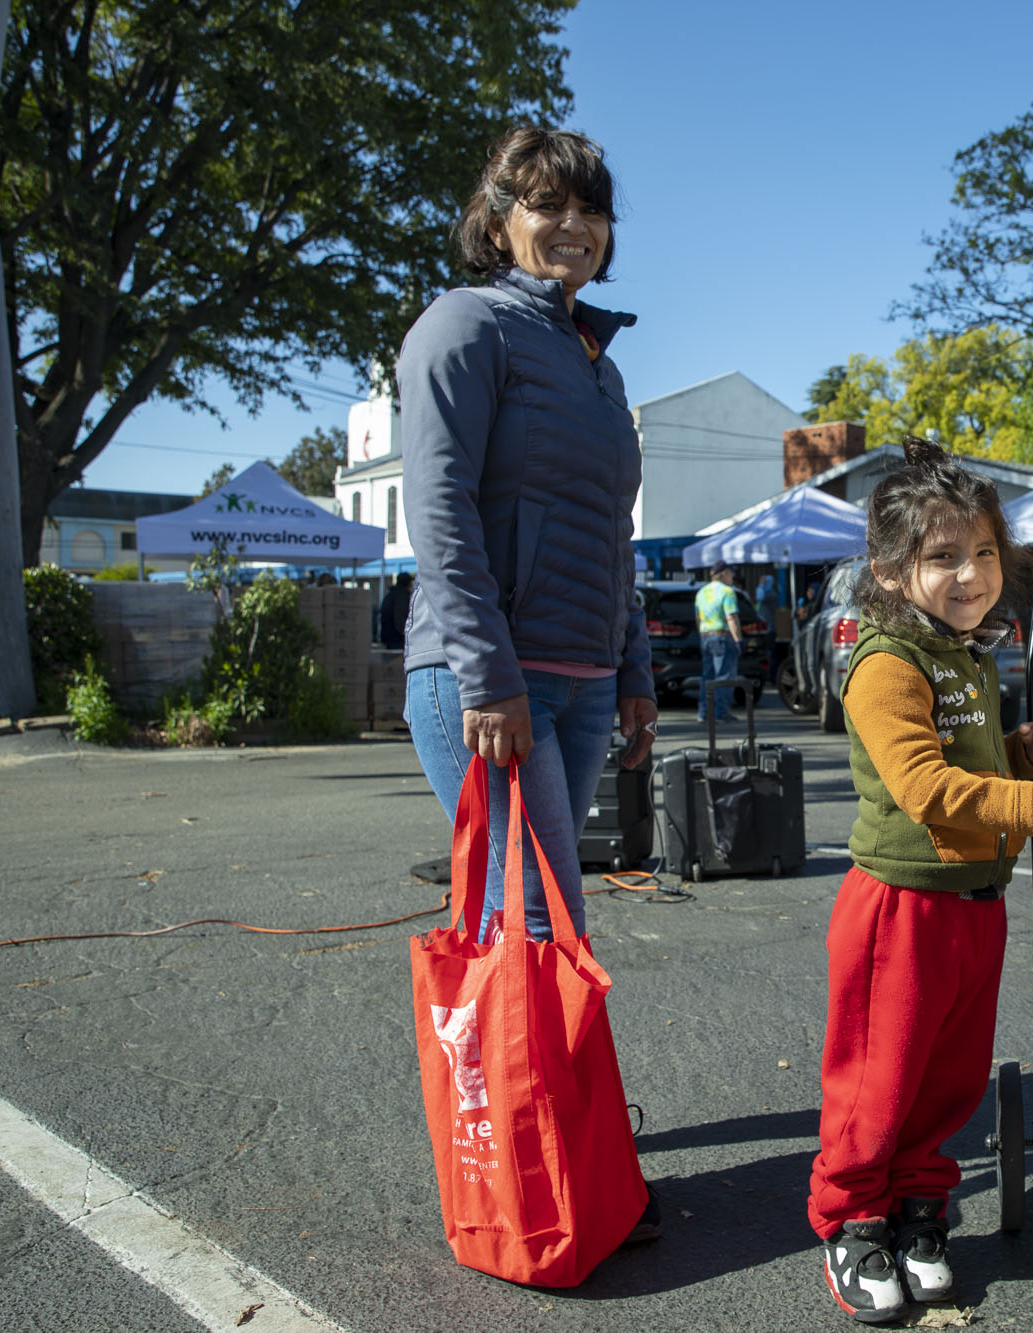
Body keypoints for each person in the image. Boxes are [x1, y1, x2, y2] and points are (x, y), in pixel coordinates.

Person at [397, 127, 659, 1237]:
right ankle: (541, 1152)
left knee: (540, 924)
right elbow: (440, 509)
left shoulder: (598, 365)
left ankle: (544, 1122)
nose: (572, 228)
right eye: (546, 206)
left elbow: (614, 534)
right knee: (538, 921)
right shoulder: (463, 326)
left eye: (590, 211)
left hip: (583, 678)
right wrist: (487, 676)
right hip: (487, 682)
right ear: (497, 215)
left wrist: (635, 667)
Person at [806, 437, 1033, 1323]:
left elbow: (961, 760)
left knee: (949, 1077)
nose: (969, 574)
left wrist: (1012, 755)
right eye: (942, 557)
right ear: (892, 571)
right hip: (900, 909)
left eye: (982, 552)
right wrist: (1030, 798)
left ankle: (920, 1207)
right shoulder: (888, 662)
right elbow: (921, 786)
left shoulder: (966, 651)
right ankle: (853, 1217)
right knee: (877, 1081)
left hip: (974, 902)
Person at [694, 560, 743, 723]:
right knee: (724, 676)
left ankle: (704, 712)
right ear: (723, 574)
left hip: (706, 636)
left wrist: (702, 635)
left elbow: (698, 618)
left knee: (707, 676)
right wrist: (738, 640)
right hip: (723, 636)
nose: (733, 576)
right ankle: (721, 713)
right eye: (731, 572)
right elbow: (731, 617)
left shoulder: (701, 592)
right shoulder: (728, 592)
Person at [377, 572, 413, 650]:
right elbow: (400, 618)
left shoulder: (390, 594)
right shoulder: (402, 596)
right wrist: (405, 635)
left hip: (388, 637)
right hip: (397, 639)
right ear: (407, 583)